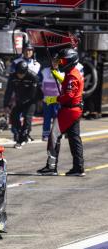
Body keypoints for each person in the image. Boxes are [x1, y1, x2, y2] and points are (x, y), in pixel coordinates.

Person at [37, 48, 85, 176]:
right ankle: (78, 168)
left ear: (70, 60)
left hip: (68, 110)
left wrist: (54, 99)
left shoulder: (73, 76)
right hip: (74, 109)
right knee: (74, 139)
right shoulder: (72, 73)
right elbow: (65, 83)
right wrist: (56, 72)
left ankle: (51, 167)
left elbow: (69, 95)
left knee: (53, 136)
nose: (61, 63)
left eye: (63, 60)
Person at [4, 61, 41, 149]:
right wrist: (6, 105)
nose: (20, 76)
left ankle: (21, 140)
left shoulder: (33, 77)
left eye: (22, 74)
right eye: (18, 73)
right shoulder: (13, 77)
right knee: (13, 116)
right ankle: (22, 133)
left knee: (27, 118)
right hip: (20, 99)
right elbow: (8, 91)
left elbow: (34, 94)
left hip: (31, 100)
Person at [40, 56, 64, 141]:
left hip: (58, 100)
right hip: (47, 99)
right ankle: (45, 134)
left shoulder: (63, 72)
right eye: (53, 61)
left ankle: (57, 134)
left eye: (57, 61)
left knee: (57, 118)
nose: (55, 63)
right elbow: (40, 84)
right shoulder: (44, 71)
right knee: (47, 117)